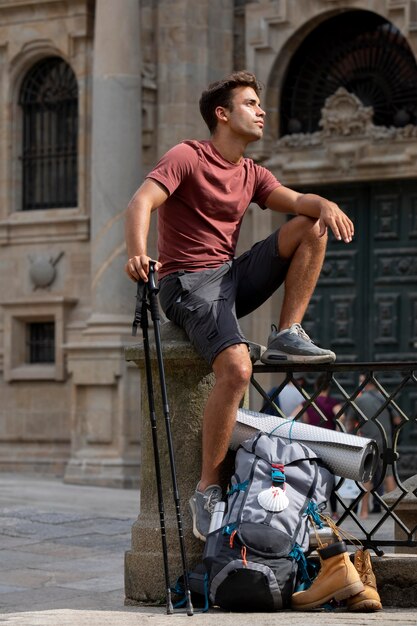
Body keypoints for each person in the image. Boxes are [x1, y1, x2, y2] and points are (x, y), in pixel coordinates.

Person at [124, 71, 354, 541]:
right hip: (186, 282)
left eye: (261, 103)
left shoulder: (251, 171)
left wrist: (323, 202)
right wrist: (137, 251)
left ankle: (287, 331)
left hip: (229, 278)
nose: (262, 110)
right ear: (223, 115)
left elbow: (294, 200)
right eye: (251, 103)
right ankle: (208, 487)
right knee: (238, 369)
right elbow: (141, 201)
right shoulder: (188, 156)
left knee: (309, 225)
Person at [346, 376, 397, 518]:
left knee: (366, 476)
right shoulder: (385, 398)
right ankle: (392, 513)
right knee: (389, 475)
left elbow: (350, 423)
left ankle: (363, 512)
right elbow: (398, 419)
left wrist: (351, 436)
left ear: (364, 384)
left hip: (368, 442)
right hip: (386, 440)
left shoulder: (359, 400)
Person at [294, 372, 344, 519]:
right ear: (329, 388)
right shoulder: (333, 403)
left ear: (316, 386)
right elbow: (341, 420)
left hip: (312, 443)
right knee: (331, 478)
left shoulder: (308, 403)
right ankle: (334, 511)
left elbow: (295, 417)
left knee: (312, 476)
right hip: (328, 443)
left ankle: (311, 508)